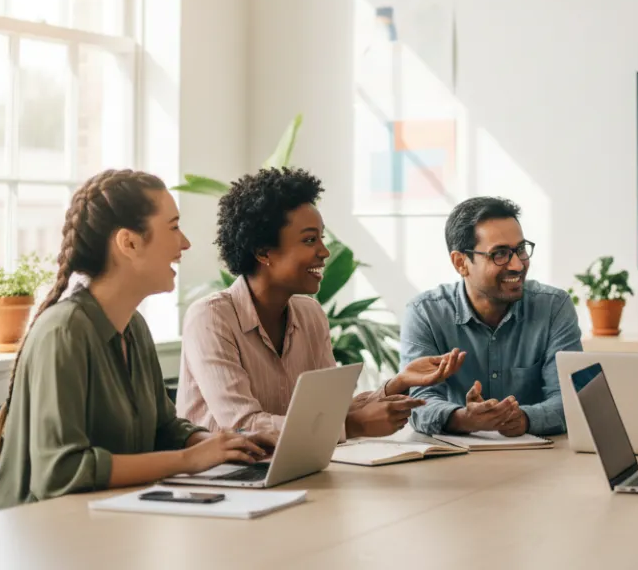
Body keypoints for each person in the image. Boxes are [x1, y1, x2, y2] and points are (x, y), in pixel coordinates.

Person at [0, 170, 273, 513]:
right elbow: (60, 472)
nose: (185, 243)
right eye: (174, 227)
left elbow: (164, 427)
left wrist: (226, 445)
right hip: (33, 530)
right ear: (129, 243)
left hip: (108, 519)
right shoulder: (64, 332)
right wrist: (188, 459)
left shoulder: (133, 326)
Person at [178, 167, 465, 438]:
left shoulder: (309, 314)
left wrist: (398, 384)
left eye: (321, 238)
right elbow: (242, 425)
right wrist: (351, 427)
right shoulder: (211, 318)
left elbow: (329, 411)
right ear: (264, 252)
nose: (324, 251)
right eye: (309, 240)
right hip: (220, 480)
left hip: (289, 472)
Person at [400, 196, 583, 437]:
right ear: (461, 263)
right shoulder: (425, 314)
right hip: (455, 459)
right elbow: (419, 401)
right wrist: (463, 418)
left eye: (520, 249)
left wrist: (524, 418)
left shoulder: (553, 307)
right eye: (500, 254)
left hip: (541, 459)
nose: (517, 265)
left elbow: (571, 398)